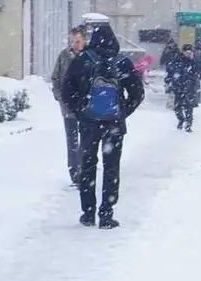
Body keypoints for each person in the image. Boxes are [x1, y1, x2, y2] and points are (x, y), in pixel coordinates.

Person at [61, 24, 144, 229]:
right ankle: (106, 214)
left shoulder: (82, 60)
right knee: (111, 168)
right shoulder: (122, 62)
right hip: (114, 125)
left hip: (89, 123)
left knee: (88, 165)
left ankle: (88, 213)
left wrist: (80, 111)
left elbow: (66, 90)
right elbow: (137, 93)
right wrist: (122, 112)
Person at [51, 26, 87, 186]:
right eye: (72, 41)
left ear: (84, 40)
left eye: (78, 41)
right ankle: (75, 172)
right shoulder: (64, 56)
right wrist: (60, 97)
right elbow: (56, 78)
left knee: (86, 141)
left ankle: (85, 170)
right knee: (72, 141)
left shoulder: (89, 56)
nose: (74, 44)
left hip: (86, 108)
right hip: (68, 108)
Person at [168, 44, 201, 131]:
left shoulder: (193, 62)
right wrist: (170, 80)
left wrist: (194, 85)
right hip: (178, 87)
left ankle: (188, 125)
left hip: (189, 88)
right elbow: (171, 71)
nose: (189, 54)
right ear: (183, 52)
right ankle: (181, 120)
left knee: (189, 107)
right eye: (187, 52)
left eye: (190, 53)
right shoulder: (177, 61)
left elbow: (196, 74)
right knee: (177, 107)